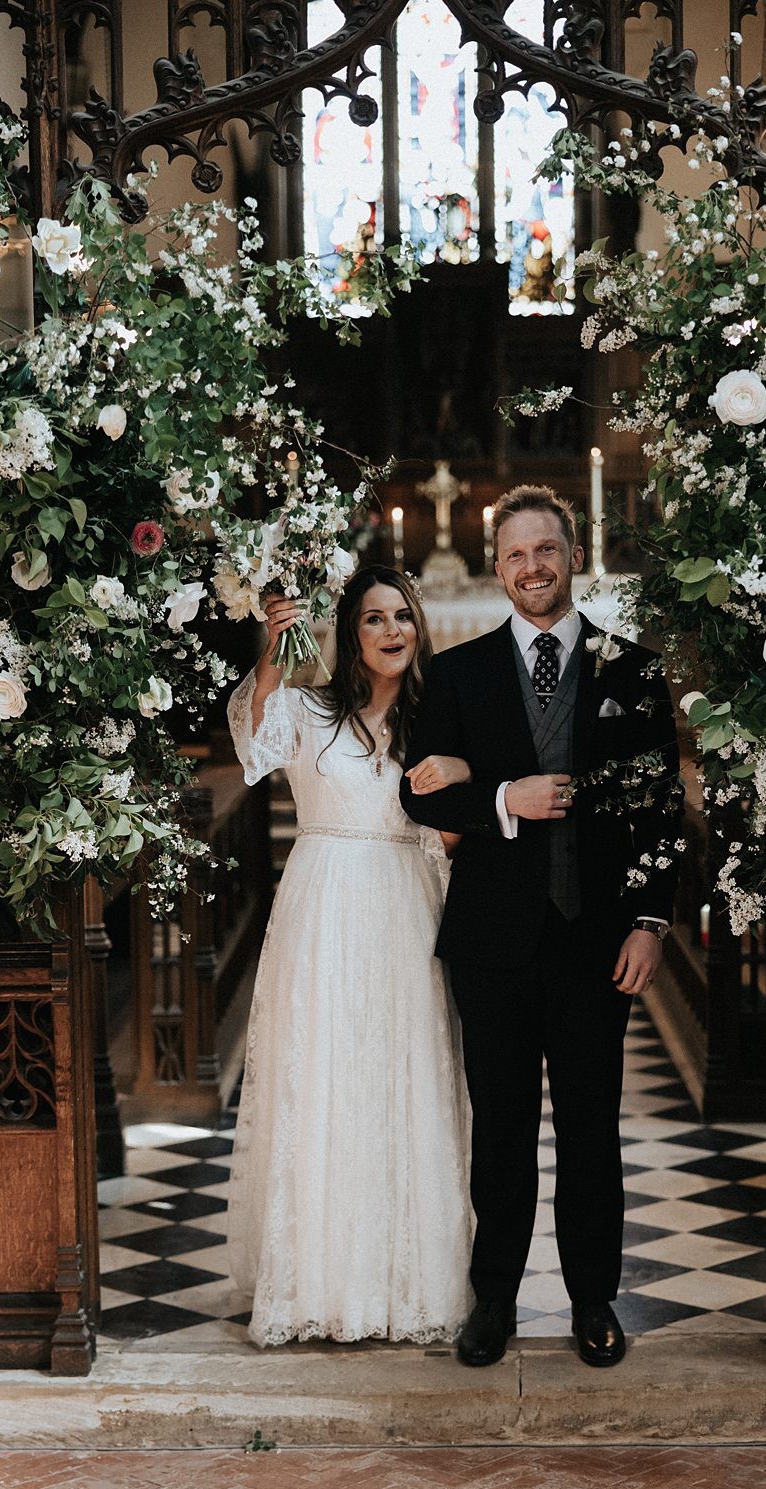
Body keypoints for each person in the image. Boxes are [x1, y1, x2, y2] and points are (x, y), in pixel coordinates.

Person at [400, 486, 681, 1369]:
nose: (533, 567)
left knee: (594, 1127)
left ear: (574, 553)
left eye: (547, 550)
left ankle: (594, 1298)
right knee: (503, 1128)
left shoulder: (632, 669)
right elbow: (423, 795)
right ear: (497, 568)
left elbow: (663, 813)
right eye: (517, 554)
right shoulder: (458, 673)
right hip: (491, 941)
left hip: (598, 941)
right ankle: (495, 1300)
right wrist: (500, 798)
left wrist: (650, 920)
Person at [226, 566, 473, 1347]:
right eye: (374, 618)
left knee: (403, 1078)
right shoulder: (307, 709)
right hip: (324, 904)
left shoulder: (437, 721)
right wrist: (272, 649)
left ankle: (406, 1282)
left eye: (403, 615)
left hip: (406, 901)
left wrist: (465, 773)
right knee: (324, 1077)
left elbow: (460, 821)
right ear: (348, 630)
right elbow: (255, 746)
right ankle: (321, 1282)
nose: (393, 630)